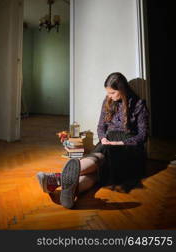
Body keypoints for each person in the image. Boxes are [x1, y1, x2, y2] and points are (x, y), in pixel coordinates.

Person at [37, 72, 149, 209]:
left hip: (128, 148)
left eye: (112, 93)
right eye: (107, 92)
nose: (109, 96)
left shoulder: (139, 105)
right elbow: (101, 126)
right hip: (108, 141)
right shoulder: (108, 101)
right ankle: (68, 194)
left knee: (101, 159)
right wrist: (103, 138)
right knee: (97, 173)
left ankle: (56, 179)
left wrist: (118, 143)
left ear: (122, 89)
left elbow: (143, 136)